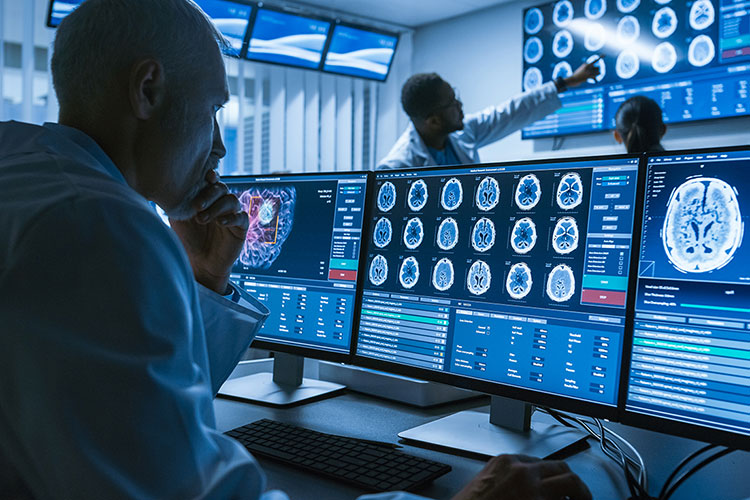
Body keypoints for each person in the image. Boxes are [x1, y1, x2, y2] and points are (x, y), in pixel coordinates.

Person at [0, 1, 592, 499]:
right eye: (213, 112)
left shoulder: (27, 171)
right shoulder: (97, 226)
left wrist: (204, 278)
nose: (222, 149)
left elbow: (142, 416)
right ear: (148, 89)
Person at [377, 60, 601, 170]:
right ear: (434, 120)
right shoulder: (397, 167)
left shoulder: (463, 133)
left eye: (456, 96)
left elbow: (510, 112)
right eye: (452, 103)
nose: (460, 104)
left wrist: (567, 81)